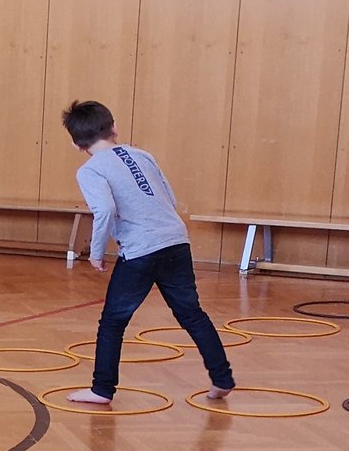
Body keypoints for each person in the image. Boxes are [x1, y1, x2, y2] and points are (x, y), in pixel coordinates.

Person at [59, 100, 234, 407]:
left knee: (113, 322)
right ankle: (222, 379)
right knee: (191, 314)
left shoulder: (90, 170)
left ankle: (102, 389)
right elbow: (170, 197)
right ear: (114, 128)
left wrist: (96, 252)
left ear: (77, 144)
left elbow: (105, 209)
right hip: (176, 241)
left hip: (141, 251)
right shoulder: (142, 155)